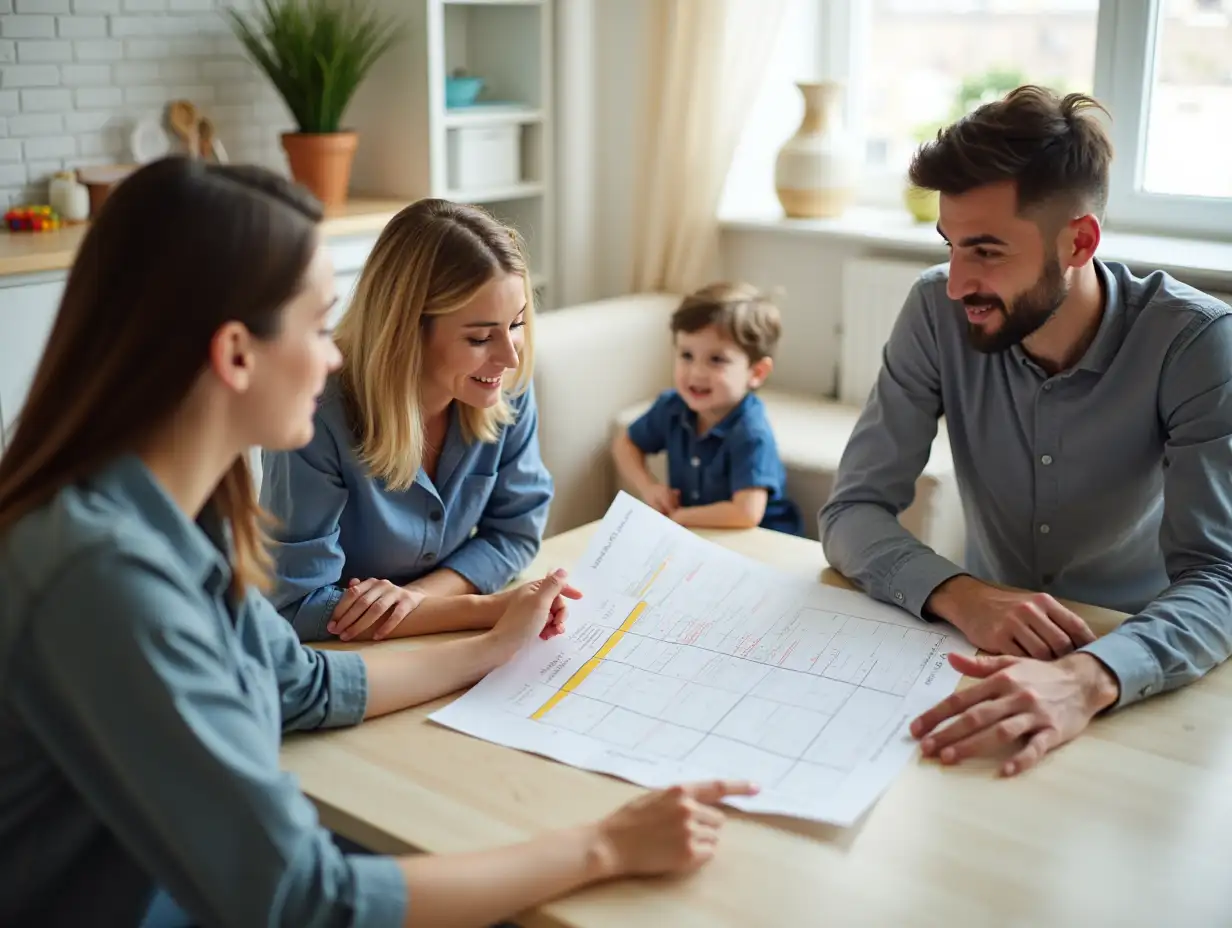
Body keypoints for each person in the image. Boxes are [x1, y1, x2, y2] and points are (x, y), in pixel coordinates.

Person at [0, 157, 758, 927]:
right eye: (321, 326)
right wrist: (604, 847)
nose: (335, 355)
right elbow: (302, 899)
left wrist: (491, 642)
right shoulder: (100, 573)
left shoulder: (184, 516)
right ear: (235, 353)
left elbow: (298, 683)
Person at [819, 85, 1232, 778]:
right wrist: (962, 595)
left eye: (985, 251)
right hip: (981, 654)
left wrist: (1089, 676)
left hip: (1144, 666)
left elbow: (1220, 577)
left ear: (1079, 241)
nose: (956, 284)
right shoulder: (933, 311)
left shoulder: (1198, 345)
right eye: (950, 247)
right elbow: (851, 511)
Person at [260, 199, 554, 644]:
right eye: (479, 337)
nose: (509, 356)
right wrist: (481, 609)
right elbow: (294, 604)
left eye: (516, 324)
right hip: (342, 655)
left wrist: (414, 598)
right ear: (407, 331)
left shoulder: (502, 384)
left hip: (415, 640)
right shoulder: (315, 412)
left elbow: (516, 532)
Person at [611, 282, 804, 535]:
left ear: (756, 372)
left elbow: (746, 513)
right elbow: (625, 444)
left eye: (717, 360)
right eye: (686, 355)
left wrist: (681, 516)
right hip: (701, 535)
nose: (696, 373)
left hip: (758, 542)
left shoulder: (750, 431)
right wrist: (649, 487)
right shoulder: (672, 408)